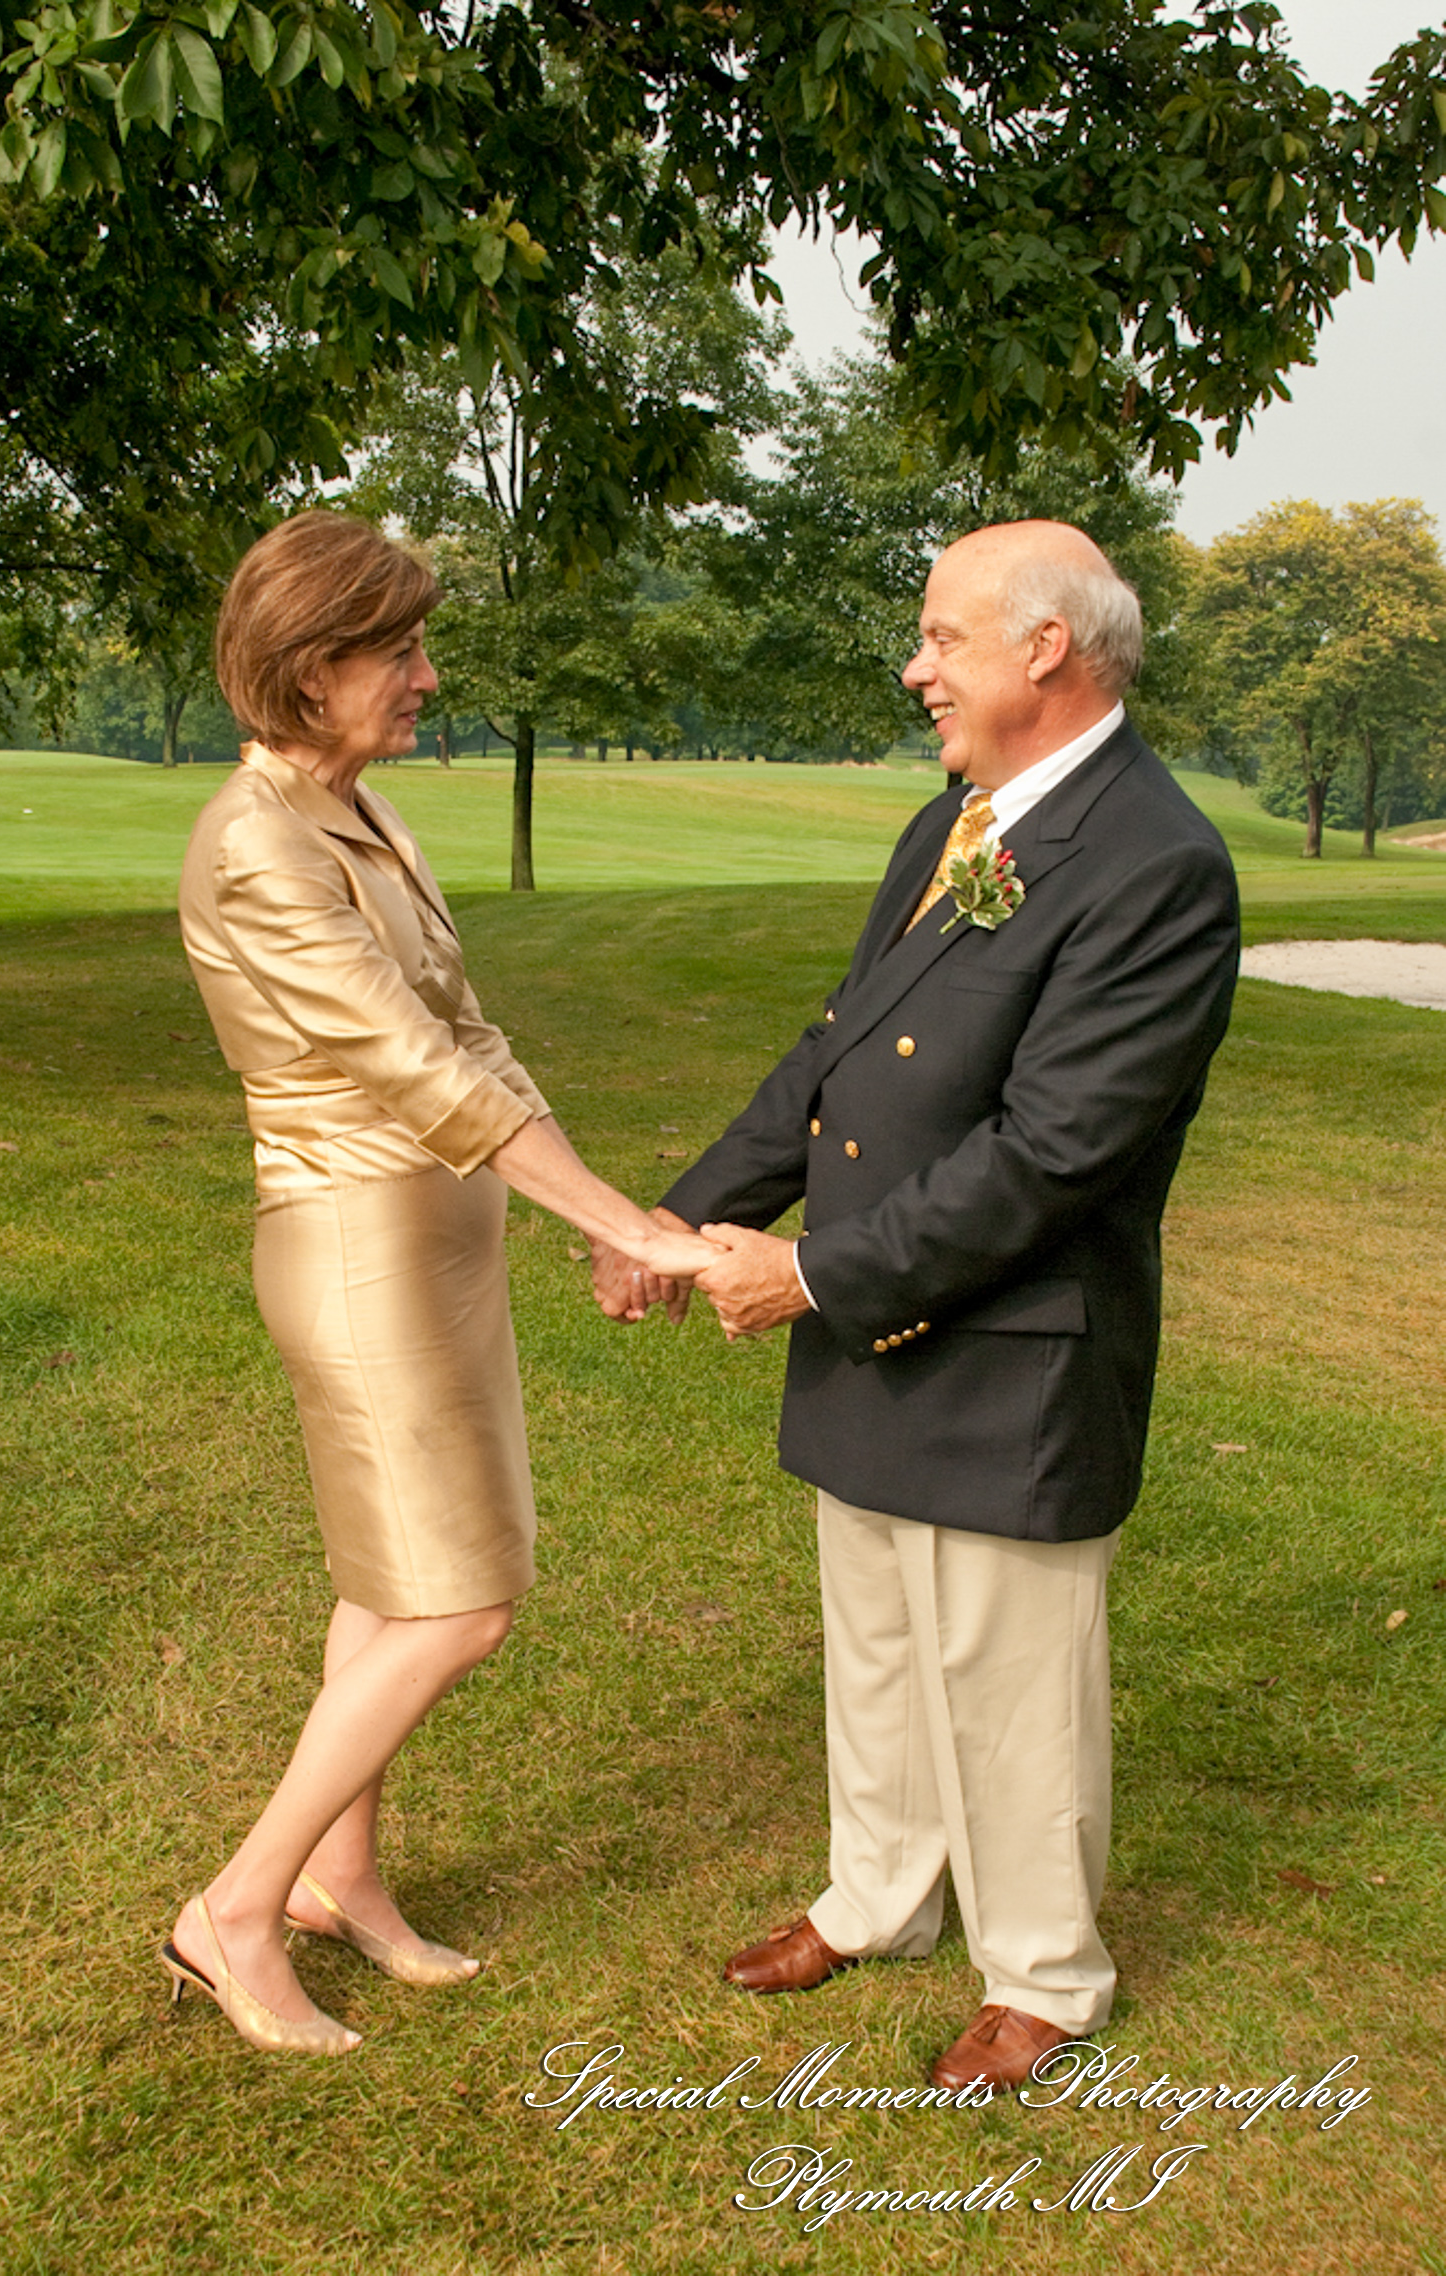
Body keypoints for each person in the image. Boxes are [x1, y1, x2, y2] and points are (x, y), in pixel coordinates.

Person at [600, 520, 1240, 2093]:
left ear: (1047, 649)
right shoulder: (959, 820)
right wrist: (695, 1210)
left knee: (1011, 1683)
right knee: (877, 1642)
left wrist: (807, 1271)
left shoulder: (1159, 862)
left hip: (1015, 1347)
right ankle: (877, 1899)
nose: (916, 666)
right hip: (877, 1325)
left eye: (941, 636)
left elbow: (1054, 1157)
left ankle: (1043, 1974)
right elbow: (837, 1050)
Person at [169, 510, 710, 2055]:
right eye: (396, 649)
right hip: (358, 1251)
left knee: (385, 1588)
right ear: (309, 666)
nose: (425, 674)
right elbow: (413, 1072)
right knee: (462, 1605)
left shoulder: (359, 813)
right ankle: (235, 1909)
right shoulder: (258, 842)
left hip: (438, 1244)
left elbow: (472, 1034)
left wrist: (604, 1215)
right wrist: (639, 1227)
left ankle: (343, 1882)